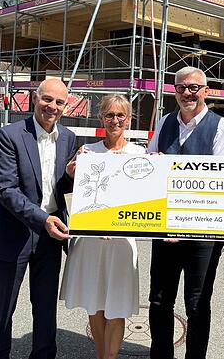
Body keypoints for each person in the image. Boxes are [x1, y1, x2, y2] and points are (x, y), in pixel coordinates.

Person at [0, 78, 77, 359]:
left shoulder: (69, 137)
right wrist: (43, 219)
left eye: (59, 102)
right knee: (3, 308)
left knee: (46, 307)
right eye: (47, 99)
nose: (52, 106)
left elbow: (59, 187)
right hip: (13, 233)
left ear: (65, 106)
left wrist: (70, 176)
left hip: (51, 235)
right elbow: (6, 190)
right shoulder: (9, 135)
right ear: (36, 98)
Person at [148, 66, 224, 359]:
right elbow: (151, 169)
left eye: (194, 87)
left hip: (202, 234)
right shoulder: (164, 123)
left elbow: (218, 182)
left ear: (205, 91)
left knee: (196, 305)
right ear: (174, 91)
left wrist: (183, 225)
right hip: (164, 231)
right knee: (159, 301)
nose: (187, 92)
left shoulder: (221, 127)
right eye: (181, 87)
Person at [60, 94, 145, 359]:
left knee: (116, 308)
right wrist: (71, 171)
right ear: (101, 118)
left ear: (128, 119)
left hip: (121, 243)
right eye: (109, 115)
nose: (115, 120)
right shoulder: (88, 151)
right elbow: (73, 186)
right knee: (94, 306)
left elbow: (144, 197)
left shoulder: (140, 154)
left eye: (120, 115)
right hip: (90, 242)